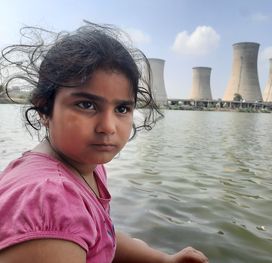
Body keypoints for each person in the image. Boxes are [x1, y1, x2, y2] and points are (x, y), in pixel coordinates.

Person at [0, 21, 209, 263]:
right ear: (44, 108)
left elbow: (100, 231)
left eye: (122, 108)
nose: (108, 127)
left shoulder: (86, 166)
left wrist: (162, 259)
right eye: (86, 105)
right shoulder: (50, 200)